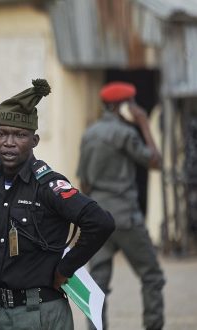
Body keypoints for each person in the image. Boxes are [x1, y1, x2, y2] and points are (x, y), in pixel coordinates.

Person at [0, 79, 115, 329]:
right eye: (1, 134)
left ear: (35, 141)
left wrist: (66, 268)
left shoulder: (48, 185)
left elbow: (100, 222)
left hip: (40, 312)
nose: (9, 142)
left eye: (20, 135)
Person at [78, 81, 165, 330]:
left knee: (97, 285)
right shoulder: (126, 133)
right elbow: (155, 162)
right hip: (126, 217)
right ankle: (153, 326)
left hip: (98, 218)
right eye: (133, 103)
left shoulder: (89, 133)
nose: (136, 108)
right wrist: (144, 123)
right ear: (122, 106)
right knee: (152, 276)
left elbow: (84, 184)